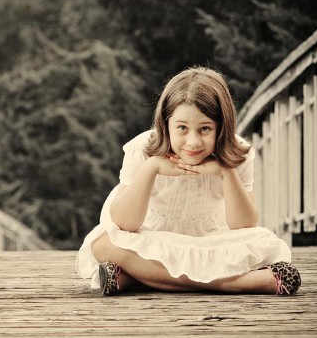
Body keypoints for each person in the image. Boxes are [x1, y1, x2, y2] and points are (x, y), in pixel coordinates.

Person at [75, 66, 301, 296]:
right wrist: (151, 168)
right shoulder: (142, 149)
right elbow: (124, 223)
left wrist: (227, 173)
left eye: (205, 129)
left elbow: (243, 225)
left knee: (263, 242)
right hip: (152, 235)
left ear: (222, 128)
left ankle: (137, 278)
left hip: (209, 239)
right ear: (166, 123)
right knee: (102, 244)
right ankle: (235, 283)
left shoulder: (238, 153)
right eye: (182, 128)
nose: (193, 142)